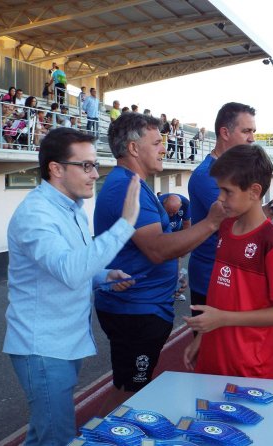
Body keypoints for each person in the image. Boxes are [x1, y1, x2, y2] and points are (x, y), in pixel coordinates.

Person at [3, 127, 142, 446]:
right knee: (57, 438)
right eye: (86, 166)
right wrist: (126, 224)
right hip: (43, 349)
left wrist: (103, 276)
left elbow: (74, 264)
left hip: (63, 343)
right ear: (56, 168)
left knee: (42, 435)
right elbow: (69, 269)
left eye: (95, 165)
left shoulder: (72, 208)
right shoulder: (36, 215)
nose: (95, 174)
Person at [93, 112, 226, 416]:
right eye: (156, 142)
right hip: (135, 309)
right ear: (133, 148)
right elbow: (156, 249)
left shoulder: (134, 184)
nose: (164, 148)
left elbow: (151, 249)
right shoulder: (127, 188)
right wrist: (211, 223)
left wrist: (170, 275)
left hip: (143, 306)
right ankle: (102, 437)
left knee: (128, 388)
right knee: (130, 392)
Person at [183, 144, 273, 378]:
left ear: (254, 192)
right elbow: (218, 296)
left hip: (247, 366)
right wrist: (202, 339)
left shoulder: (271, 242)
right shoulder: (226, 227)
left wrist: (224, 319)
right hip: (213, 356)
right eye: (219, 190)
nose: (220, 198)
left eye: (227, 191)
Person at [188, 102, 273, 320]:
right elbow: (235, 223)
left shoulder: (230, 172)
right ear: (225, 132)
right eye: (246, 131)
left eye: (253, 131)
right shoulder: (208, 175)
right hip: (212, 277)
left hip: (233, 273)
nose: (252, 138)